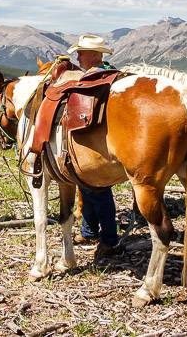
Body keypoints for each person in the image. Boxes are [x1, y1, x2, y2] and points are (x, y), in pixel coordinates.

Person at [67, 34, 119, 256]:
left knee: (98, 188)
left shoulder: (94, 79)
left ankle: (109, 237)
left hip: (96, 140)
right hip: (97, 138)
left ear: (95, 55)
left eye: (81, 52)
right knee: (87, 185)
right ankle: (89, 230)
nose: (77, 56)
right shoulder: (107, 74)